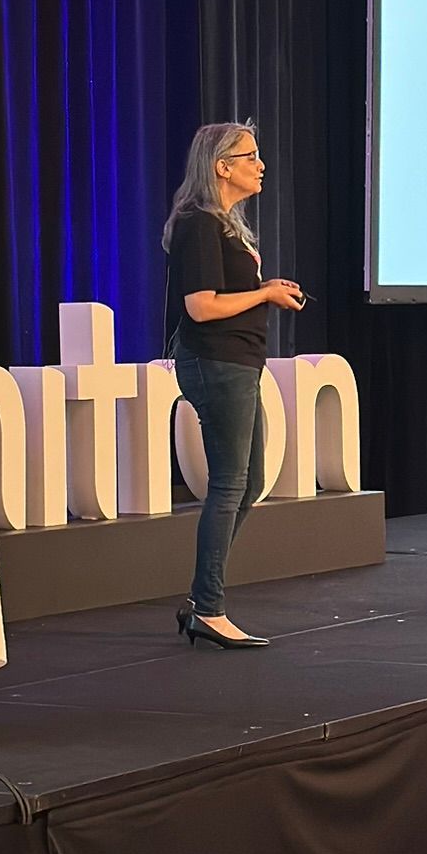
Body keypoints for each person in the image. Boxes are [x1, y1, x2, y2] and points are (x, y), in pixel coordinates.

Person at [163, 122, 303, 647]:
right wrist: (264, 295)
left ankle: (203, 598)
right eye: (250, 157)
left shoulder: (223, 224)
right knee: (229, 484)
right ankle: (209, 607)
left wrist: (265, 287)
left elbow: (223, 295)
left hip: (238, 362)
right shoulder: (199, 223)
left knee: (249, 481)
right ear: (222, 167)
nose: (261, 166)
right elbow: (201, 307)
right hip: (216, 362)